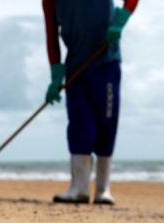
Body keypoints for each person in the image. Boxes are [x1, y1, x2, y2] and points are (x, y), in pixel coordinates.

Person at [43, 0, 139, 204]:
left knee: (107, 125)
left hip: (106, 62)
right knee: (80, 128)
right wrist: (55, 72)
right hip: (75, 70)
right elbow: (51, 34)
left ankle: (103, 189)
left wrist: (121, 20)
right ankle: (78, 188)